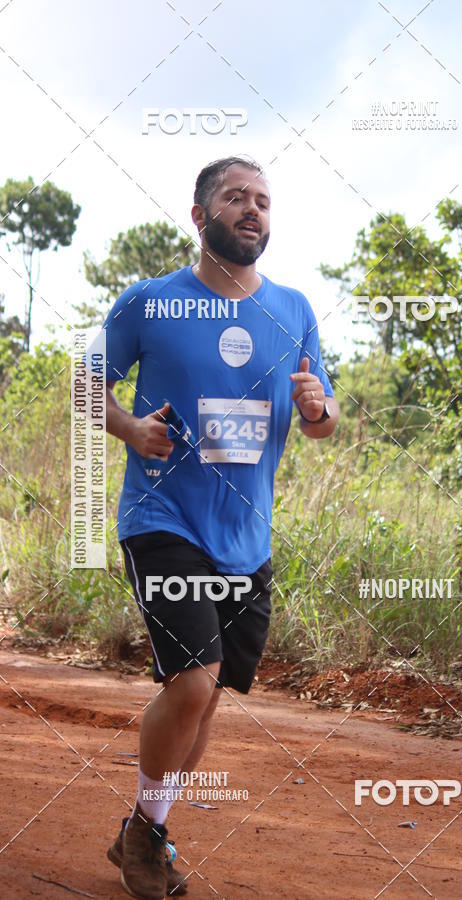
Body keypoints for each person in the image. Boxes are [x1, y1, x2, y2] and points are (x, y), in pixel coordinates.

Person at [100, 156, 339, 899]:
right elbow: (86, 384)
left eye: (264, 200)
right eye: (236, 198)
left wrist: (316, 410)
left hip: (248, 537)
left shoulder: (293, 309)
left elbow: (326, 420)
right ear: (199, 216)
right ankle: (146, 839)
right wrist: (133, 430)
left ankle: (146, 829)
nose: (253, 210)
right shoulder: (149, 303)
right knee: (193, 680)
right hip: (162, 518)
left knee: (211, 693)